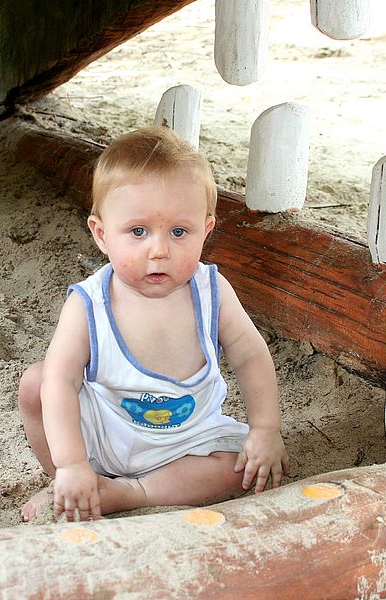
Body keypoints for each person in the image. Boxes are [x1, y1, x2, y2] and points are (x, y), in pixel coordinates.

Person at [18, 126, 290, 522]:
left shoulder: (211, 290)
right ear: (101, 234)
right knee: (36, 384)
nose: (159, 251)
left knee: (242, 466)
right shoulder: (89, 302)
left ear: (206, 231)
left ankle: (129, 493)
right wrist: (72, 462)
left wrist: (266, 428)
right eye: (138, 231)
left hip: (188, 440)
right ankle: (73, 482)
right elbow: (61, 380)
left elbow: (249, 354)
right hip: (104, 433)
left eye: (179, 232)